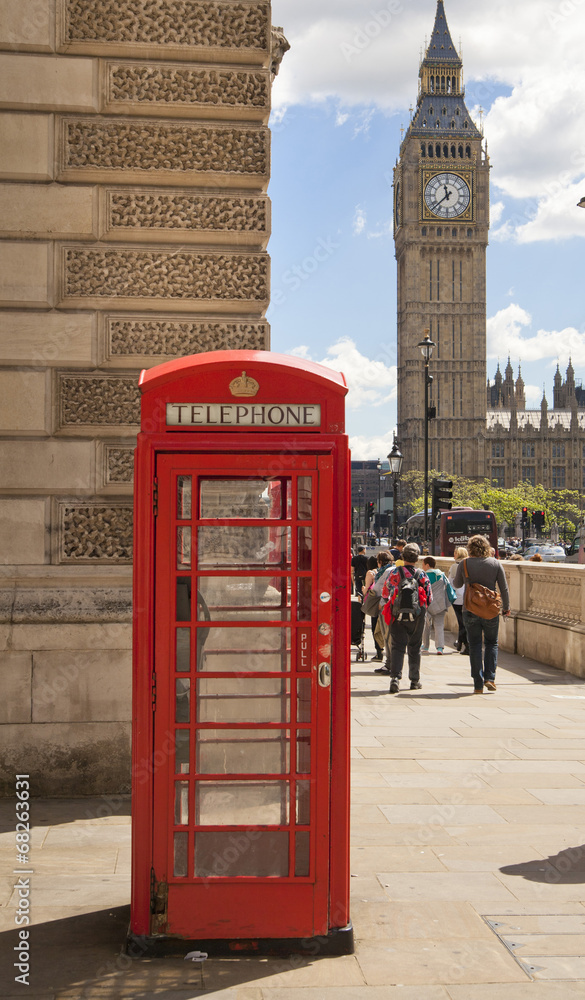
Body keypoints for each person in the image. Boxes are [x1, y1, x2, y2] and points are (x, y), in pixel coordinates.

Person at [453, 535, 511, 694]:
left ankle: (478, 684)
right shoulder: (495, 563)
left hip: (470, 609)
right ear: (486, 547)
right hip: (490, 610)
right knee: (492, 643)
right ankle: (490, 677)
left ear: (470, 548)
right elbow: (504, 588)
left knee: (475, 645)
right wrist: (506, 607)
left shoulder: (464, 563)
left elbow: (457, 584)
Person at [382, 543, 432, 693]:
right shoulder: (421, 574)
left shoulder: (394, 573)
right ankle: (414, 680)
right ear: (417, 558)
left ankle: (395, 679)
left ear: (403, 557)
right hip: (417, 614)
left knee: (397, 646)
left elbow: (385, 594)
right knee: (415, 646)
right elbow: (429, 598)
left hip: (397, 614)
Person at [421, 556, 452, 655]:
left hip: (427, 605)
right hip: (440, 604)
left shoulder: (423, 575)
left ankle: (425, 645)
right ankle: (440, 647)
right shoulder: (442, 575)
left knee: (426, 626)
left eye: (423, 564)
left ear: (427, 565)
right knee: (439, 626)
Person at [363, 554, 384, 662]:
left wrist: (363, 590)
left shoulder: (370, 573)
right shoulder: (386, 572)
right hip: (385, 601)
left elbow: (367, 590)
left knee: (375, 627)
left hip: (375, 603)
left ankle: (379, 652)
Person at [448, 546, 468, 655]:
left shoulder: (455, 566)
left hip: (458, 598)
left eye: (455, 553)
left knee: (462, 622)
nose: (453, 555)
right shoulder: (469, 564)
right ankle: (460, 643)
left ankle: (466, 644)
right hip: (468, 597)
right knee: (463, 621)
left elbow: (452, 582)